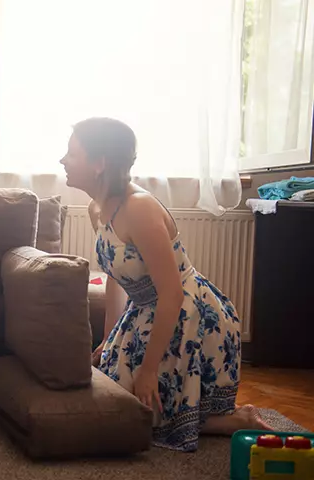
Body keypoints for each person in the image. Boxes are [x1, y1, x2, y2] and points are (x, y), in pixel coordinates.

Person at [59, 117, 271, 452]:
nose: (62, 160)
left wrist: (148, 368)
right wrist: (108, 339)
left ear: (100, 164)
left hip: (188, 315)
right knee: (112, 401)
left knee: (140, 410)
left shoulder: (139, 209)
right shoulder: (96, 208)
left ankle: (234, 420)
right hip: (143, 311)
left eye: (71, 153)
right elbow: (116, 279)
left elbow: (171, 294)